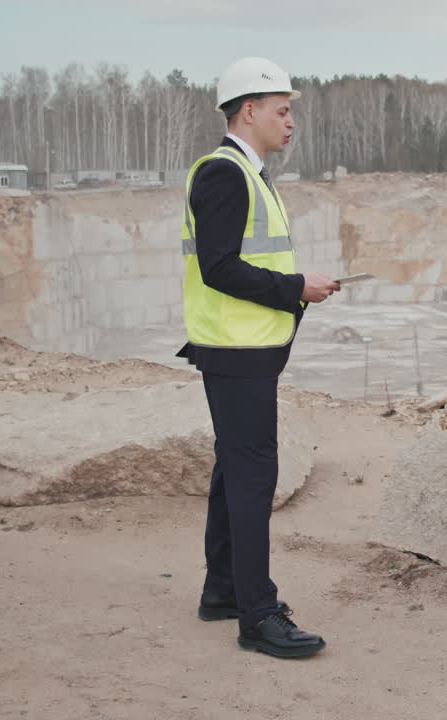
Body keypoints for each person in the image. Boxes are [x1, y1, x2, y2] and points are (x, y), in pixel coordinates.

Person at [177, 56, 339, 659]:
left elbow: (247, 262)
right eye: (282, 109)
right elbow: (220, 268)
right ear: (249, 111)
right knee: (252, 477)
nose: (290, 120)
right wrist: (295, 287)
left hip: (245, 350)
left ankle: (224, 590)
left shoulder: (249, 173)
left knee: (233, 470)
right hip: (234, 351)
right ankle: (258, 614)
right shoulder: (224, 174)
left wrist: (297, 285)